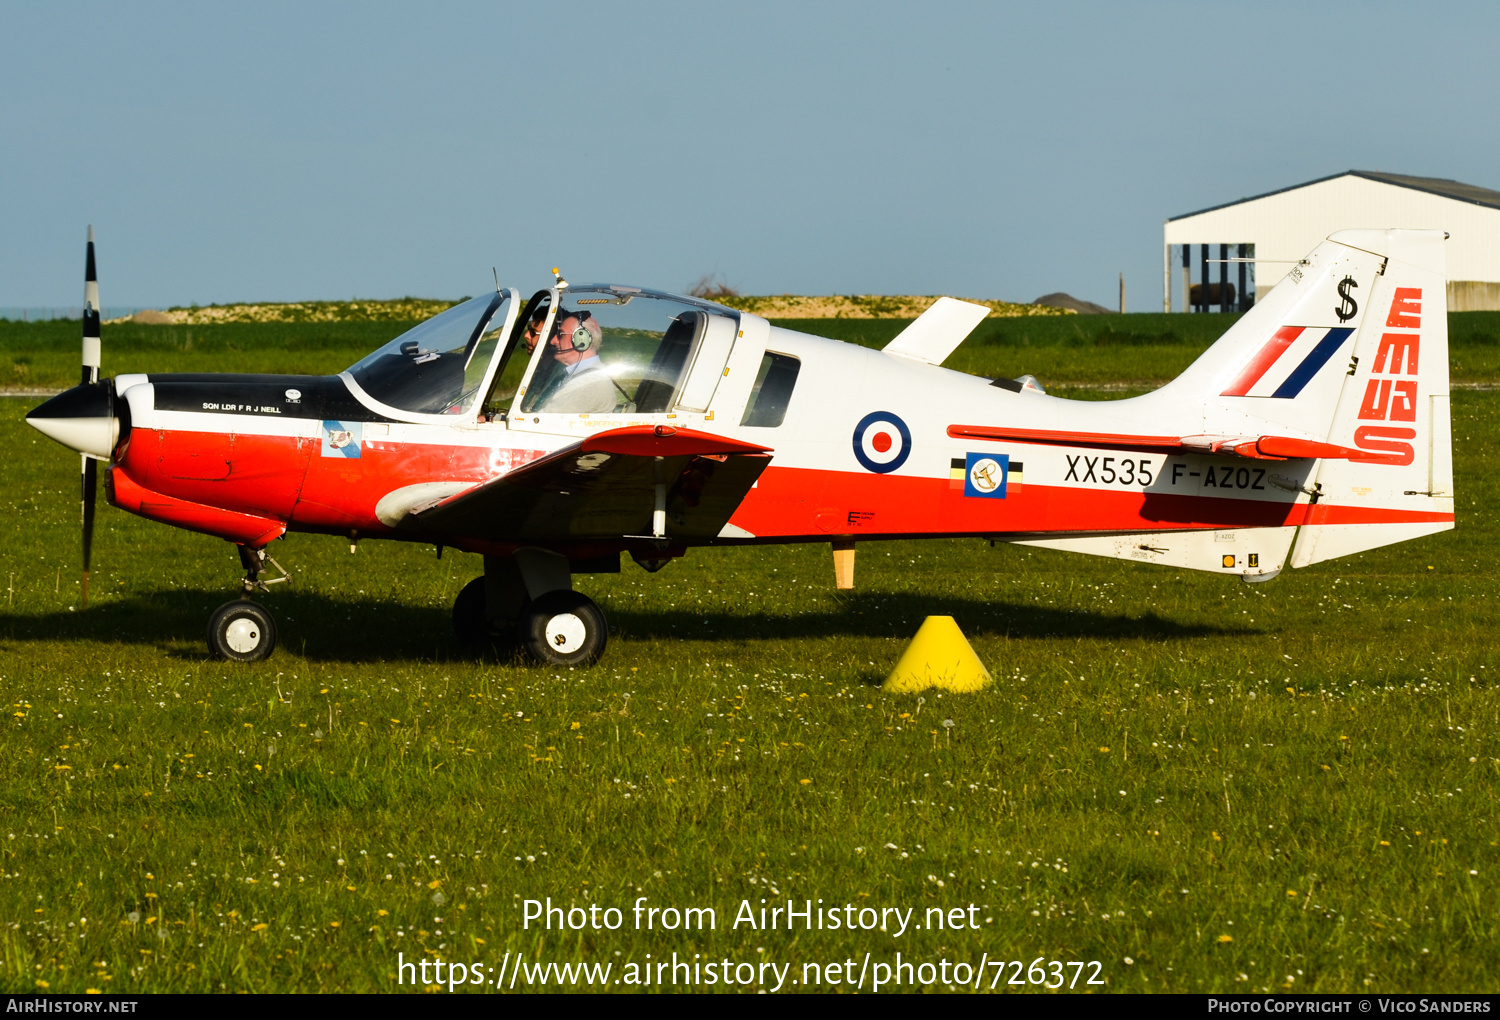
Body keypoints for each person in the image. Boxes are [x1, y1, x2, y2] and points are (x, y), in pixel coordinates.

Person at [534, 310, 619, 413]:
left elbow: (543, 421)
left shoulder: (590, 382)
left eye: (560, 335)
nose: (553, 341)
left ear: (581, 339)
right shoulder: (579, 375)